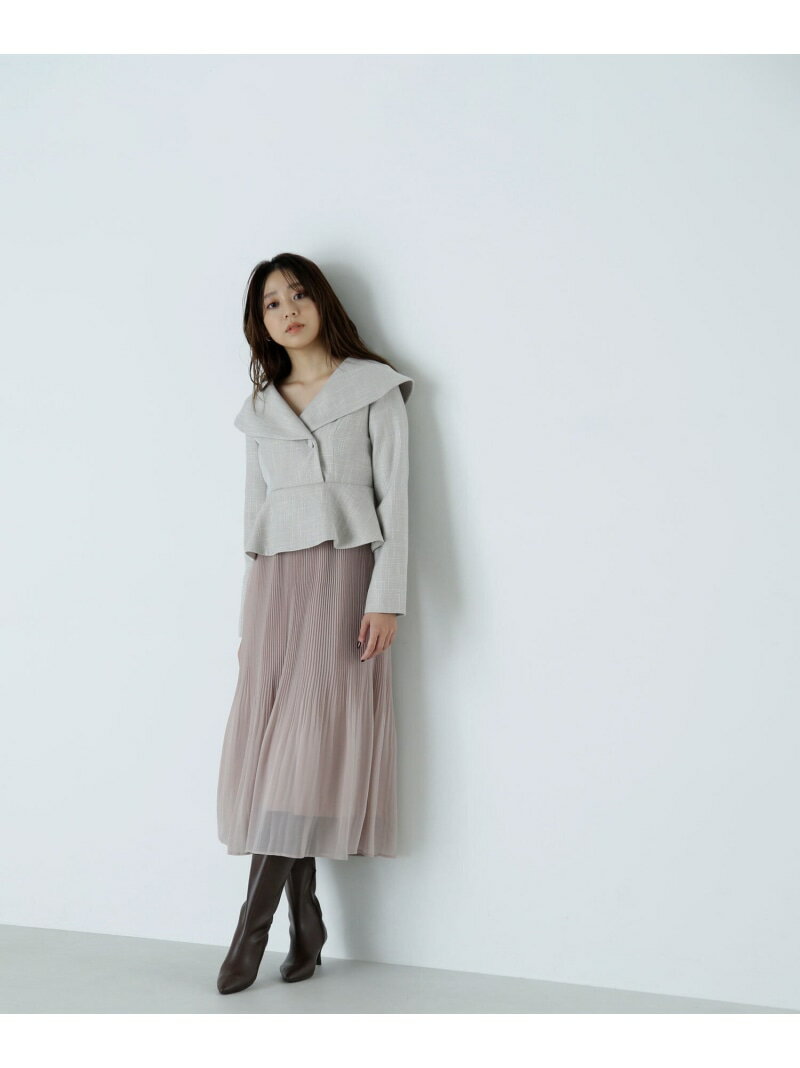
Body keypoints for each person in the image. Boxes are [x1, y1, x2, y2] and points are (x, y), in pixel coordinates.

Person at [215, 252, 414, 994]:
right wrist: (250, 620)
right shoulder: (260, 409)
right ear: (259, 323)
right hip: (274, 589)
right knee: (276, 751)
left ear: (322, 301)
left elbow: (398, 499)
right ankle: (305, 919)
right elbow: (252, 517)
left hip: (344, 581)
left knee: (305, 744)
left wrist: (386, 596)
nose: (288, 310)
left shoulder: (373, 388)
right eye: (272, 303)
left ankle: (250, 930)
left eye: (298, 295)